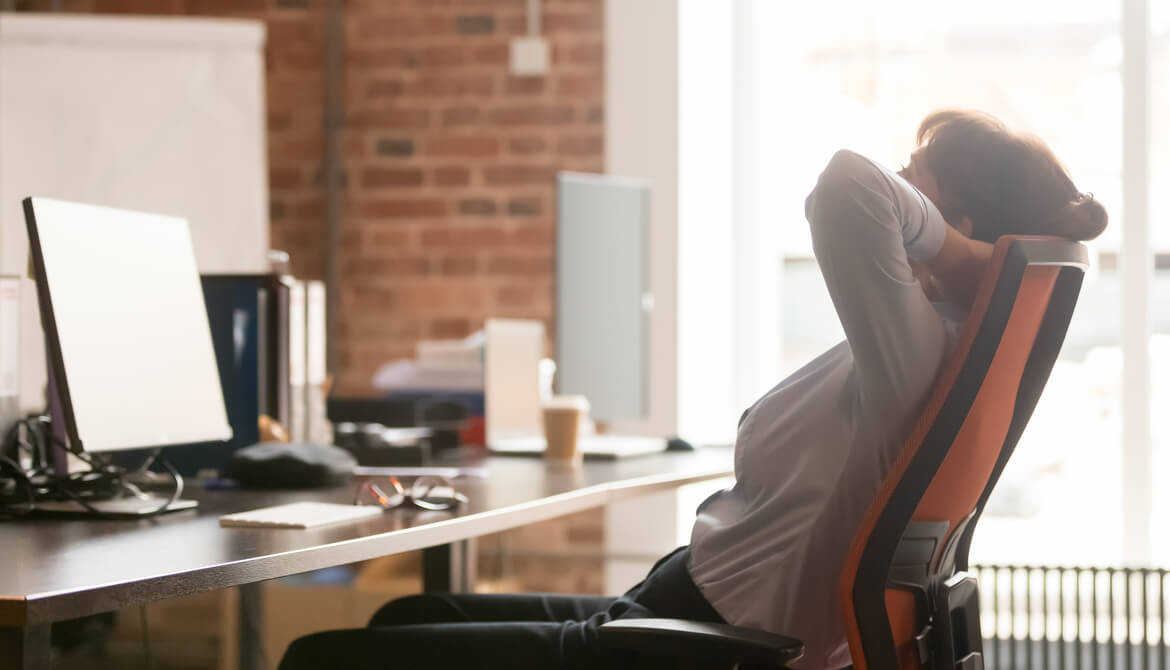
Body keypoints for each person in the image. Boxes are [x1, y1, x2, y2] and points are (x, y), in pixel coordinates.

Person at [277, 109, 1108, 670]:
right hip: (684, 603)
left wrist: (961, 256)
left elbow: (848, 187)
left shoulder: (920, 354)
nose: (895, 177)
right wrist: (962, 258)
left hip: (705, 640)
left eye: (914, 173)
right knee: (397, 625)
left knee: (326, 657)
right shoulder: (933, 348)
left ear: (953, 216)